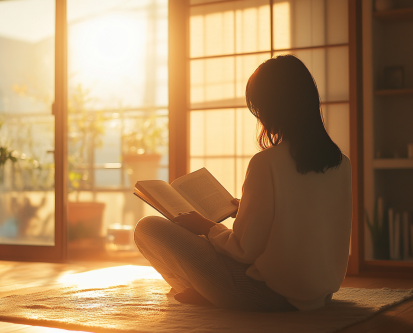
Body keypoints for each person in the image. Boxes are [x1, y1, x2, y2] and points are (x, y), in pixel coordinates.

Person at [133, 54, 352, 312]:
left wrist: (207, 226)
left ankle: (206, 292)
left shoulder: (266, 162)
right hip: (319, 294)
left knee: (148, 227)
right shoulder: (341, 163)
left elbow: (244, 251)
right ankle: (205, 290)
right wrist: (244, 209)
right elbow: (303, 224)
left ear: (272, 108)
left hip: (263, 295)